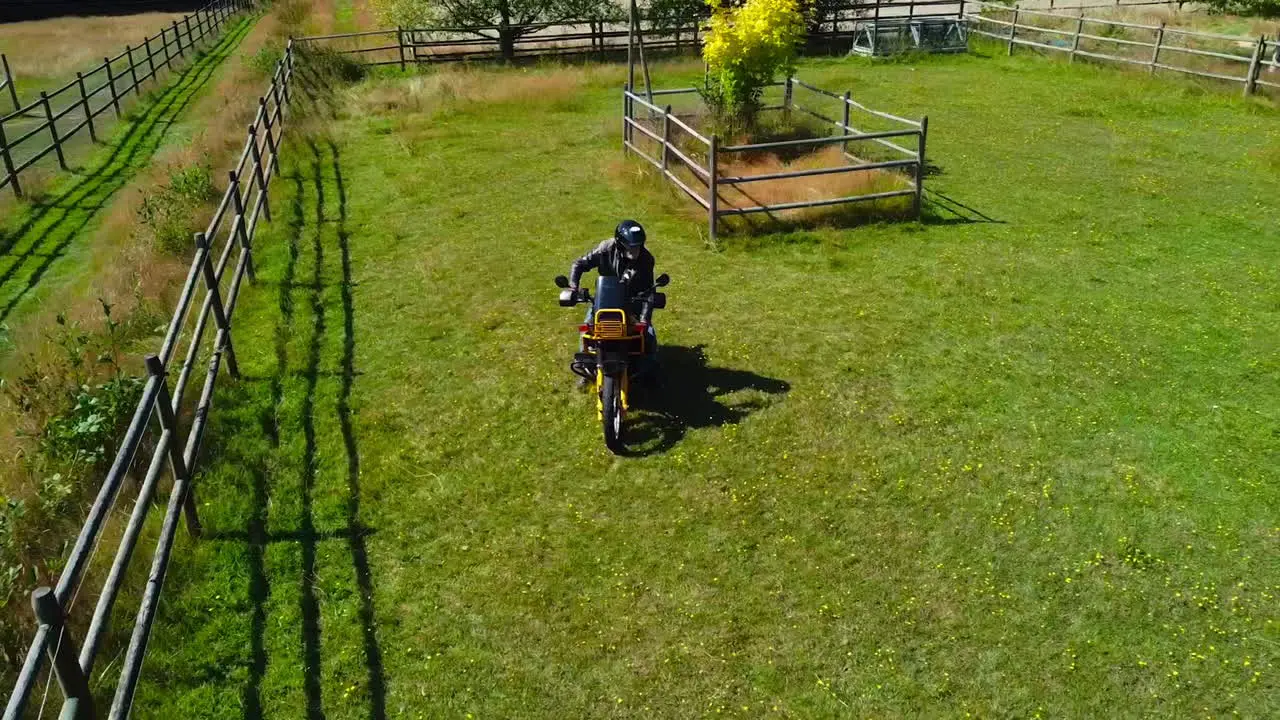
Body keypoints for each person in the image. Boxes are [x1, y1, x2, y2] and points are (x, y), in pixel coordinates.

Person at [568, 219, 660, 377]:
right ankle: (586, 367)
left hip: (632, 301)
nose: (636, 250)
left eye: (639, 245)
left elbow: (648, 290)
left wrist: (644, 319)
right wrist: (573, 287)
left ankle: (649, 374)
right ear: (620, 243)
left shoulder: (646, 259)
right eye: (632, 246)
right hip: (605, 300)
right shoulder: (606, 248)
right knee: (587, 330)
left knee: (648, 335)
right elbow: (579, 264)